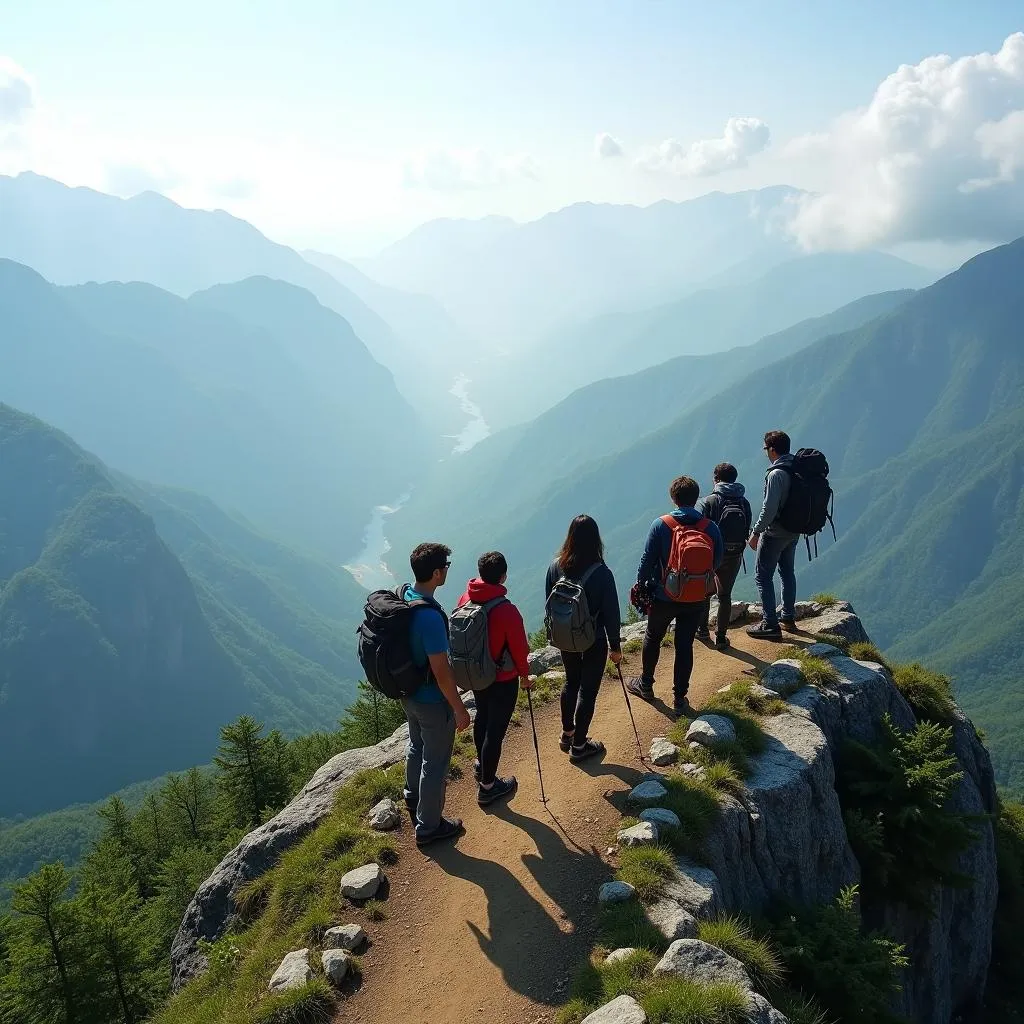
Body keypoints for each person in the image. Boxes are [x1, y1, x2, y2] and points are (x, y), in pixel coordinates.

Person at [627, 476, 723, 716]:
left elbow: (646, 562)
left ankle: (646, 684)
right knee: (684, 645)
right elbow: (717, 561)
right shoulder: (710, 527)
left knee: (653, 637)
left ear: (673, 498)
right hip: (696, 598)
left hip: (664, 596)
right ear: (696, 498)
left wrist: (643, 585)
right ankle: (680, 698)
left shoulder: (661, 525)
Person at [401, 542, 471, 847]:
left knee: (416, 745)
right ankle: (429, 826)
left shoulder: (404, 595)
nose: (447, 570)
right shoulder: (429, 617)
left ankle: (412, 795)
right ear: (436, 573)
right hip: (431, 699)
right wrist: (458, 708)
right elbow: (442, 673)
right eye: (446, 566)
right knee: (436, 761)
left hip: (408, 693)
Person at [454, 551, 531, 806]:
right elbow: (520, 648)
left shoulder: (465, 598)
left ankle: (481, 765)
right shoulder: (506, 610)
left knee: (483, 719)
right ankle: (488, 786)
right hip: (502, 678)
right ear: (503, 576)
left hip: (476, 674)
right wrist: (525, 676)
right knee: (495, 731)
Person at [544, 515, 622, 762]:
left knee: (571, 681)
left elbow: (549, 601)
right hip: (593, 639)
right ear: (596, 539)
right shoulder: (601, 573)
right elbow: (611, 613)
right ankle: (579, 746)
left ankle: (568, 734)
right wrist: (616, 646)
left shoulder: (556, 566)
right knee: (587, 691)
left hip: (565, 636)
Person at [747, 430, 799, 640]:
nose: (766, 453)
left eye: (766, 449)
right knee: (787, 572)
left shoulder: (776, 474)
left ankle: (770, 624)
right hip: (794, 530)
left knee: (762, 576)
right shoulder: (797, 468)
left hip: (775, 532)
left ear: (772, 449)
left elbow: (768, 509)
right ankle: (787, 616)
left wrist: (756, 532)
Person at [696, 463, 752, 650]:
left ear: (715, 479)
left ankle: (702, 630)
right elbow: (747, 528)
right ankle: (721, 637)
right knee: (725, 595)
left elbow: (698, 529)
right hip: (734, 553)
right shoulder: (744, 502)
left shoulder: (708, 501)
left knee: (704, 593)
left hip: (711, 554)